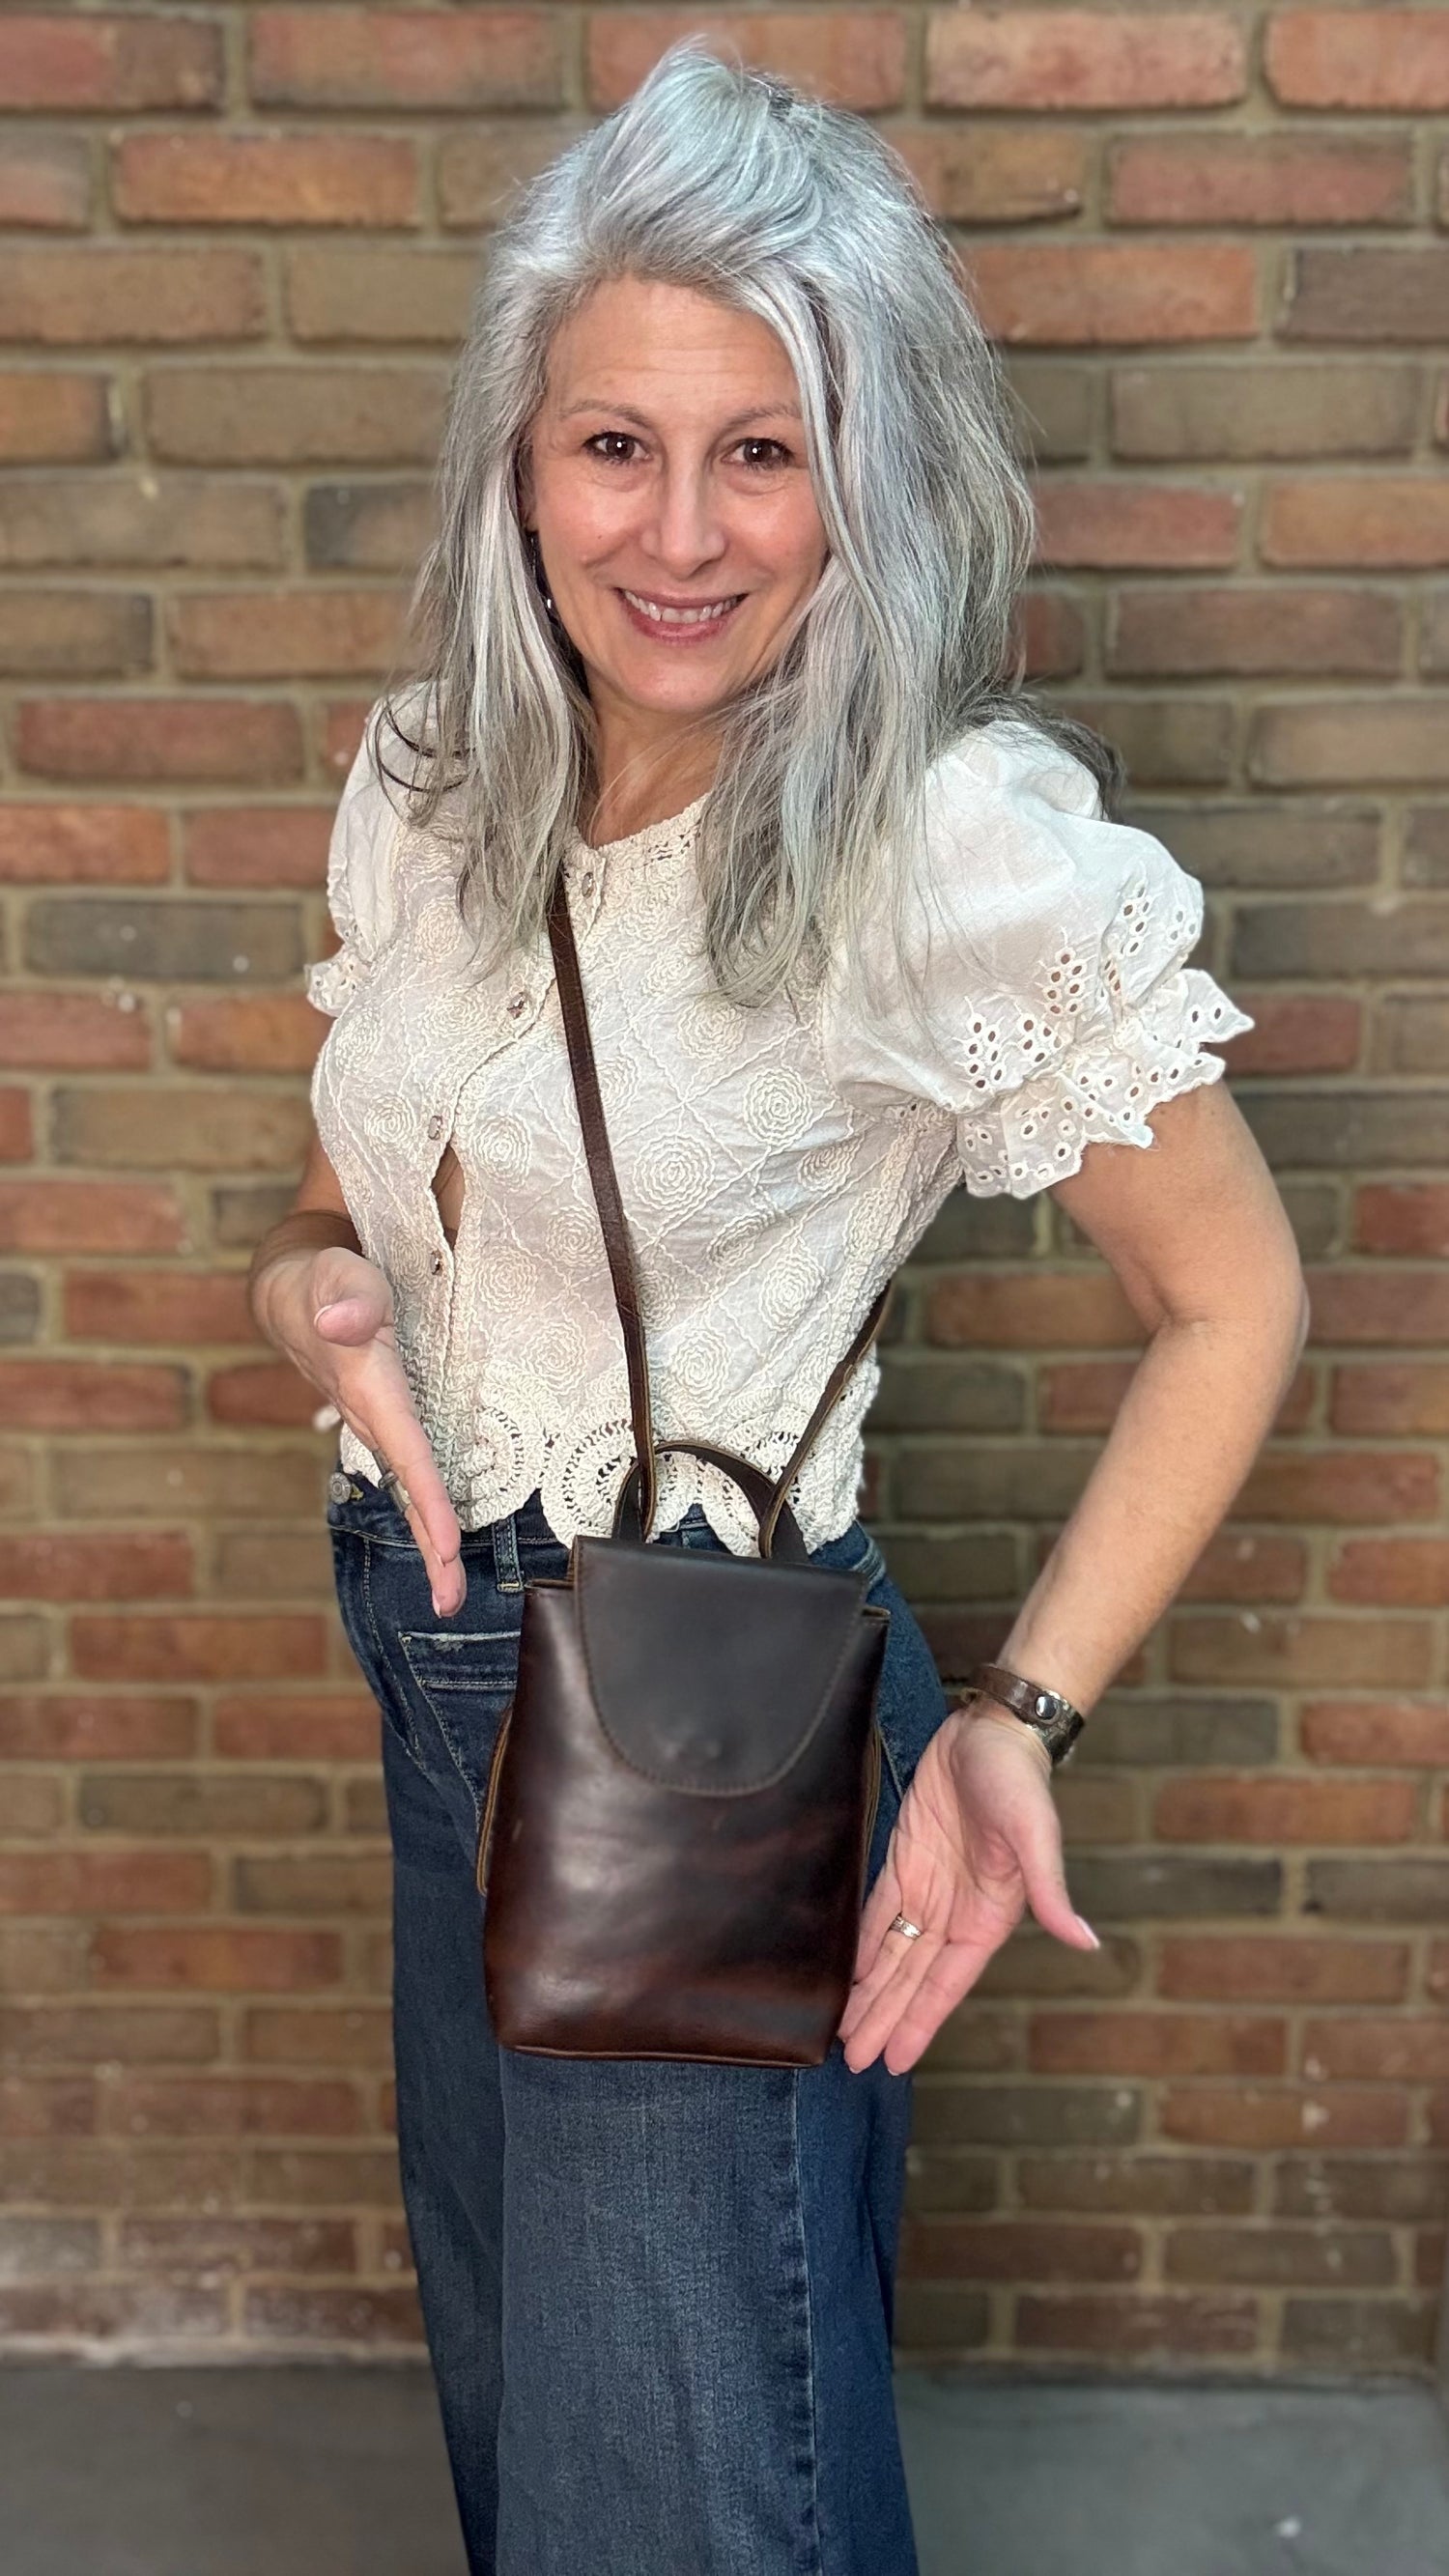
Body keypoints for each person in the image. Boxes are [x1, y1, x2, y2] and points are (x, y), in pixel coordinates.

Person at [245, 43, 1307, 2576]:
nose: (683, 529)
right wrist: (320, 1294)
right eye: (617, 444)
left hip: (693, 1705)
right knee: (534, 2415)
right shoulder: (427, 781)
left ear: (866, 475)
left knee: (683, 2489)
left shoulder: (941, 846)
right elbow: (332, 1188)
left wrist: (1024, 1712)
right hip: (433, 1658)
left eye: (766, 448)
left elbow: (1232, 1297)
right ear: (520, 458)